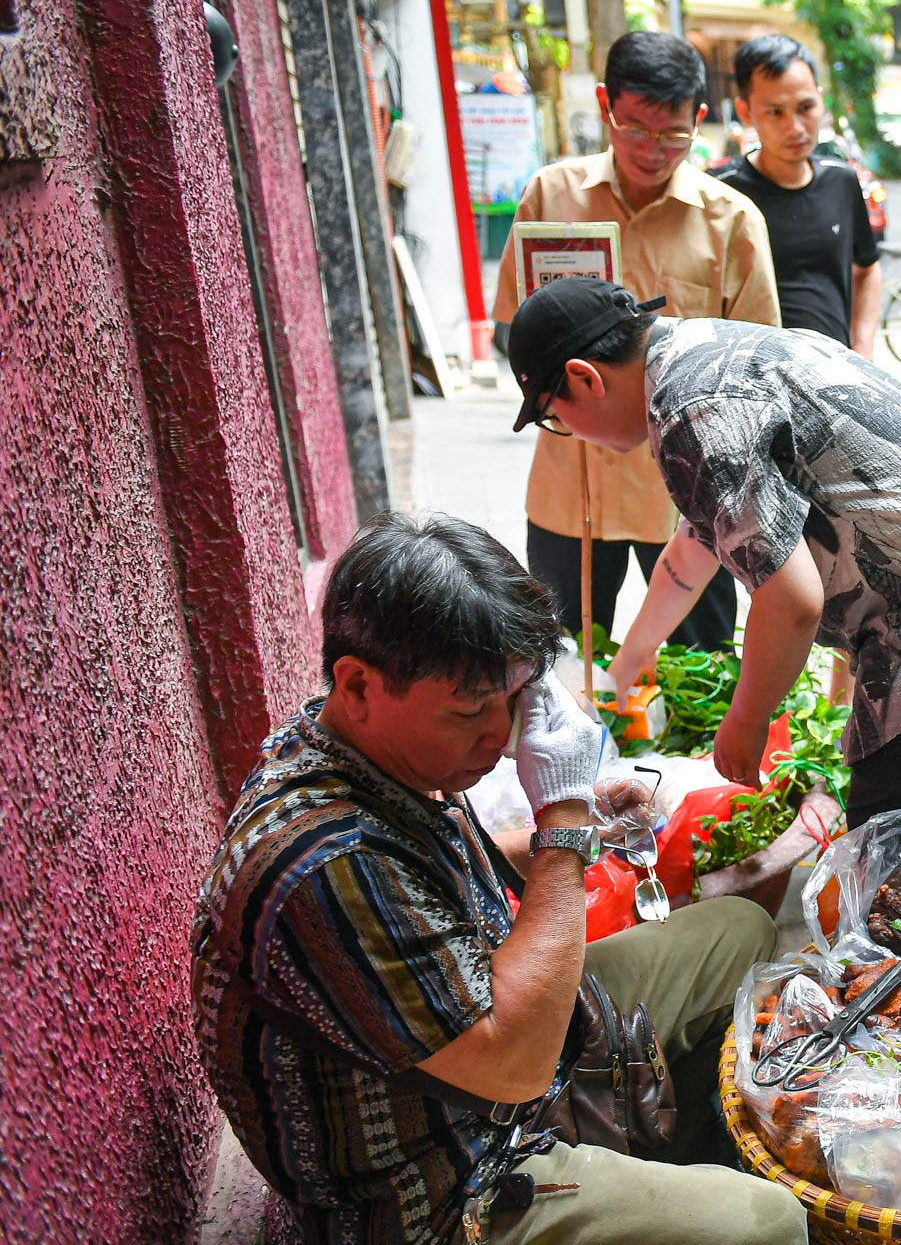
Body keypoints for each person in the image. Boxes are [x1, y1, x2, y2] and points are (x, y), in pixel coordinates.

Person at [190, 513, 805, 1245]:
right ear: (358, 685)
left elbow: (435, 872)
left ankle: (667, 1143)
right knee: (767, 1224)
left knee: (739, 932)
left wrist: (587, 831)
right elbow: (515, 1066)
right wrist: (562, 826)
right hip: (452, 1188)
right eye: (468, 711)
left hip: (493, 1048)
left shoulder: (340, 743)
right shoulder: (324, 867)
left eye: (512, 700)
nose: (497, 735)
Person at [506, 276, 901, 826]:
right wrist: (626, 666)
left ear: (585, 378)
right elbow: (692, 553)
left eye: (557, 419)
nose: (573, 435)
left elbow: (792, 600)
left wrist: (746, 719)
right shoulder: (702, 351)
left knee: (892, 858)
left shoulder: (692, 408)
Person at [493, 30, 779, 648]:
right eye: (635, 129)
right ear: (605, 105)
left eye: (673, 133)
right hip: (571, 485)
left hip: (687, 498)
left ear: (700, 118)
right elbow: (517, 329)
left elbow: (757, 369)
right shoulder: (551, 196)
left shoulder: (730, 221)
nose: (652, 150)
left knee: (698, 668)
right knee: (555, 660)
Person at [716, 35, 882, 357]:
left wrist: (863, 350)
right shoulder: (721, 194)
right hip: (752, 389)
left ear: (820, 100)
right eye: (775, 112)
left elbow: (868, 267)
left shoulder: (842, 181)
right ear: (745, 111)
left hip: (836, 378)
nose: (795, 128)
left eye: (805, 108)